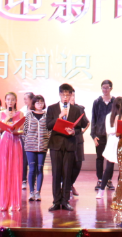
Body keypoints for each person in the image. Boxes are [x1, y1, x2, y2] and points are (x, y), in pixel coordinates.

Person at [46, 83, 88, 211]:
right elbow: (48, 125)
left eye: (68, 95)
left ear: (71, 95)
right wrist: (58, 117)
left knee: (67, 173)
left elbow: (81, 125)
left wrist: (74, 131)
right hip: (56, 144)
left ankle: (65, 201)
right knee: (56, 173)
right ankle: (56, 201)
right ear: (59, 94)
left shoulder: (76, 109)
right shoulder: (52, 108)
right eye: (63, 94)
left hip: (70, 144)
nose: (65, 97)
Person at [0, 92, 25, 211]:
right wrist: (6, 120)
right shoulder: (0, 113)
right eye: (8, 99)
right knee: (4, 170)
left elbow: (22, 130)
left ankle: (13, 202)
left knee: (15, 170)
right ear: (5, 101)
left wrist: (15, 130)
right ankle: (2, 202)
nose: (10, 102)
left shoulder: (20, 113)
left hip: (16, 142)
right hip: (4, 142)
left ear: (15, 101)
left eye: (12, 99)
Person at [23, 94, 50, 201]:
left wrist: (47, 141)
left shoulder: (47, 115)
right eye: (37, 102)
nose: (40, 104)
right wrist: (27, 141)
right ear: (34, 104)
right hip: (30, 146)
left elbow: (49, 130)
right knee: (32, 169)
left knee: (40, 169)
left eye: (41, 102)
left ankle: (38, 192)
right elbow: (25, 130)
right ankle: (31, 192)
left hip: (42, 146)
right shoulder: (29, 115)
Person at [92, 79, 115, 192]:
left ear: (111, 88)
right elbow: (93, 118)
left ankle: (109, 180)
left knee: (110, 158)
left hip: (112, 134)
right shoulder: (97, 102)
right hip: (100, 134)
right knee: (99, 157)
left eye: (107, 87)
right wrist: (93, 135)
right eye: (103, 87)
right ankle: (100, 179)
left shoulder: (115, 101)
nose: (105, 89)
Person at [97, 98, 120, 199]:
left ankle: (120, 191)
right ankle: (101, 190)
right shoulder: (109, 116)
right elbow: (108, 130)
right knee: (108, 168)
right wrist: (118, 128)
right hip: (112, 144)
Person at [20, 92, 33, 190]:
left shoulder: (37, 109)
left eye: (26, 99)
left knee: (33, 160)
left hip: (34, 138)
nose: (24, 101)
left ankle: (33, 180)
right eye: (24, 99)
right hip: (24, 137)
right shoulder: (22, 110)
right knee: (24, 159)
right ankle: (23, 180)